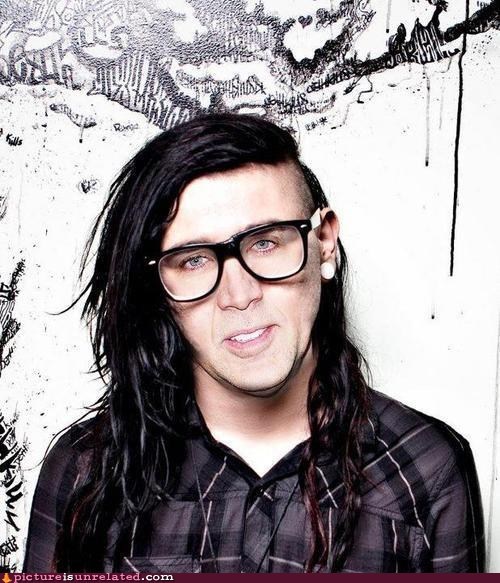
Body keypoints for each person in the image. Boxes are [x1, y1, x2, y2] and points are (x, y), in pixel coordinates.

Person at [23, 113, 485, 573]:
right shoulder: (83, 469)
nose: (239, 295)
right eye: (193, 260)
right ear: (157, 286)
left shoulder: (427, 468)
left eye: (265, 242)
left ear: (324, 243)